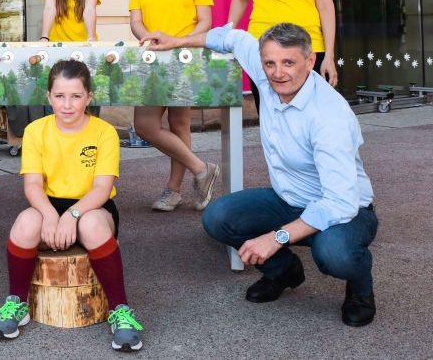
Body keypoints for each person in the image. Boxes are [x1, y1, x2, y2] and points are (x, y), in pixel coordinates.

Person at [143, 22, 377, 327]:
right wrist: (177, 39)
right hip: (290, 199)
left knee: (336, 254)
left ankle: (361, 289)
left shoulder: (328, 116)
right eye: (270, 63)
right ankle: (284, 270)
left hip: (347, 210)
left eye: (289, 62)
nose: (278, 72)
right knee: (218, 217)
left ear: (310, 62)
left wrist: (276, 237)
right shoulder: (270, 76)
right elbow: (232, 37)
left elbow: (341, 202)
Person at [0, 60, 143, 351]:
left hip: (92, 207)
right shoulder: (36, 131)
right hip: (50, 203)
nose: (67, 104)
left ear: (89, 97)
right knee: (24, 223)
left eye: (76, 96)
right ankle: (16, 302)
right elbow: (33, 186)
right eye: (59, 96)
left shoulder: (104, 132)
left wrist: (72, 216)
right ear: (48, 97)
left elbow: (101, 188)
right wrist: (50, 215)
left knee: (91, 224)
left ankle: (121, 311)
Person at [129, 0, 219, 212]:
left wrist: (179, 41)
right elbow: (136, 21)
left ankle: (173, 190)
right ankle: (202, 169)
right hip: (152, 57)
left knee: (180, 124)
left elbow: (205, 21)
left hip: (184, 57)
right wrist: (148, 38)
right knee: (144, 125)